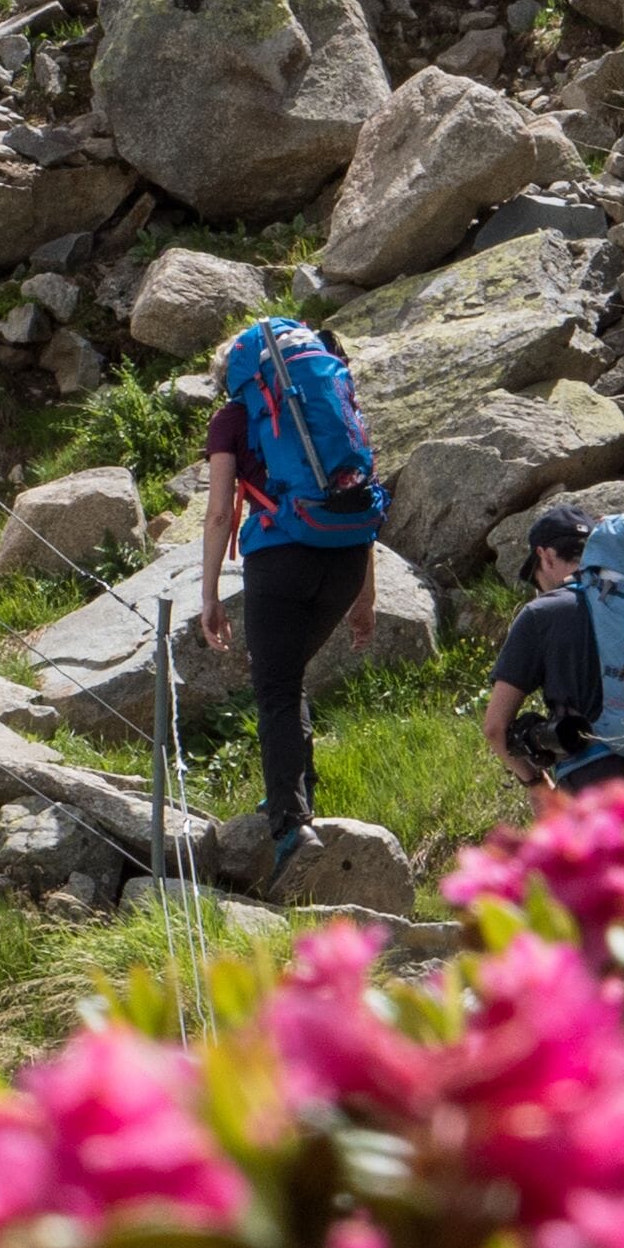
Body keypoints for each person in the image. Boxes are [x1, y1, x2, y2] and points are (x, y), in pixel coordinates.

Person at [192, 333, 374, 866]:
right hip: (345, 557)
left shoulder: (231, 419)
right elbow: (360, 494)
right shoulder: (333, 408)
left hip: (280, 559)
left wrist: (209, 594)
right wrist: (365, 596)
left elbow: (219, 514)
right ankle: (294, 789)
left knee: (276, 687)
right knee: (288, 676)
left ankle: (292, 828)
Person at [484, 509, 624, 814]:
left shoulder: (542, 613)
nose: (541, 589)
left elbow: (495, 727)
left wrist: (537, 785)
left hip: (591, 781)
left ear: (545, 556)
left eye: (537, 580)